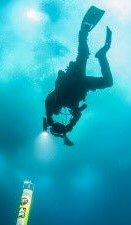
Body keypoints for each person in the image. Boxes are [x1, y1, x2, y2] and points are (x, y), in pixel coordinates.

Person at [44, 6, 113, 146]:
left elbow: (48, 108)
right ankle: (101, 55)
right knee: (108, 82)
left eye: (56, 111)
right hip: (83, 83)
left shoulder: (53, 100)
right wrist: (68, 128)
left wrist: (50, 121)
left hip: (74, 78)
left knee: (83, 53)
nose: (58, 112)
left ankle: (84, 31)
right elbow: (77, 115)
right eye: (58, 112)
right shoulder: (68, 105)